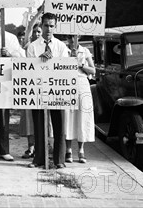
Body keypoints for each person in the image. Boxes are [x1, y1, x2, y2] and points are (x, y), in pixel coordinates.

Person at [26, 12, 69, 169]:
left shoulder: (61, 46)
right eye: (46, 25)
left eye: (52, 26)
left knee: (59, 126)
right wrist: (40, 61)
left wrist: (52, 61)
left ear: (55, 26)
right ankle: (39, 158)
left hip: (57, 90)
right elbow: (29, 69)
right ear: (41, 26)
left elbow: (65, 68)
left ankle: (59, 159)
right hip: (38, 90)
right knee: (39, 126)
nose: (49, 29)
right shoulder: (33, 47)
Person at [0, 8, 24, 162]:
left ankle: (3, 149)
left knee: (3, 117)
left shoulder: (10, 37)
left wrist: (9, 54)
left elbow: (22, 56)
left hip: (4, 82)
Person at [64, 35, 96, 164]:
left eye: (75, 38)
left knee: (82, 116)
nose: (72, 41)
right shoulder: (63, 50)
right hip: (67, 84)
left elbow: (93, 70)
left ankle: (81, 150)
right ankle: (68, 150)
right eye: (70, 38)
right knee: (68, 116)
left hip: (82, 84)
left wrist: (81, 64)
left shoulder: (85, 51)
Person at [20, 23, 42, 158]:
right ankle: (31, 147)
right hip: (29, 86)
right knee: (29, 118)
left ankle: (42, 146)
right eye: (35, 32)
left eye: (39, 32)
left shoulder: (48, 46)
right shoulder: (28, 47)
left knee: (42, 118)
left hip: (43, 86)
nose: (38, 34)